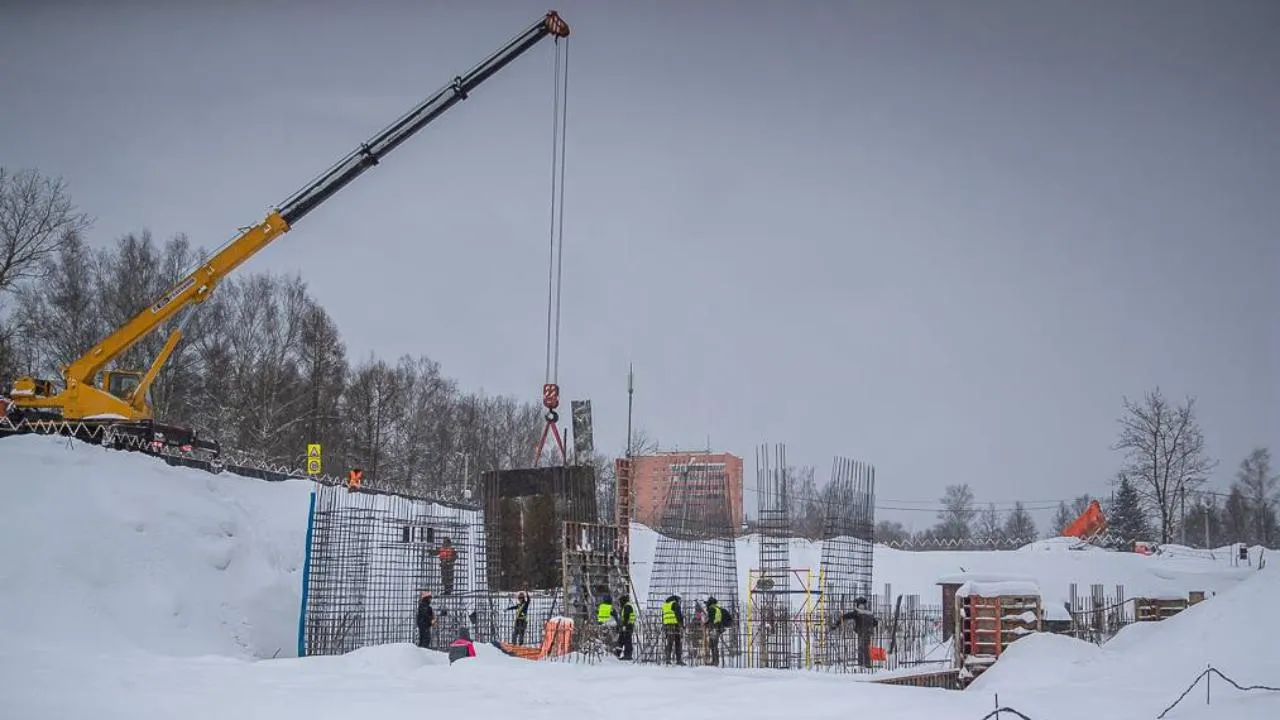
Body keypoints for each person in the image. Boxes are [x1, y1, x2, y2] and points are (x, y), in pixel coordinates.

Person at [831, 597, 877, 668]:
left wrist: (836, 624)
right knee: (867, 647)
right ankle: (867, 664)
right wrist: (868, 626)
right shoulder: (869, 613)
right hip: (868, 632)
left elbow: (845, 616)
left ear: (858, 604)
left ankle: (861, 664)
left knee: (861, 647)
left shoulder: (857, 612)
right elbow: (875, 623)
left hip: (861, 632)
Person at [703, 596, 732, 666]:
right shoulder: (718, 608)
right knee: (713, 645)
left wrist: (705, 624)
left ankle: (715, 661)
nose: (706, 605)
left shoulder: (712, 609)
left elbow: (711, 620)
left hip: (714, 628)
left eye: (706, 603)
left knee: (713, 645)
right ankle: (715, 661)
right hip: (718, 628)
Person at [661, 594, 685, 665]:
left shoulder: (665, 604)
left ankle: (668, 659)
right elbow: (679, 615)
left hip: (667, 626)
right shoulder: (675, 604)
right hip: (675, 625)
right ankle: (679, 660)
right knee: (678, 642)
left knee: (669, 643)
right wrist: (682, 624)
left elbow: (663, 616)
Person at [616, 594, 638, 661]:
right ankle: (618, 654)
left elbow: (626, 617)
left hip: (627, 626)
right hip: (629, 625)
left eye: (620, 602)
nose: (620, 603)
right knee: (622, 640)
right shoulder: (629, 605)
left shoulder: (627, 606)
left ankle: (627, 655)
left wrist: (624, 626)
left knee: (627, 641)